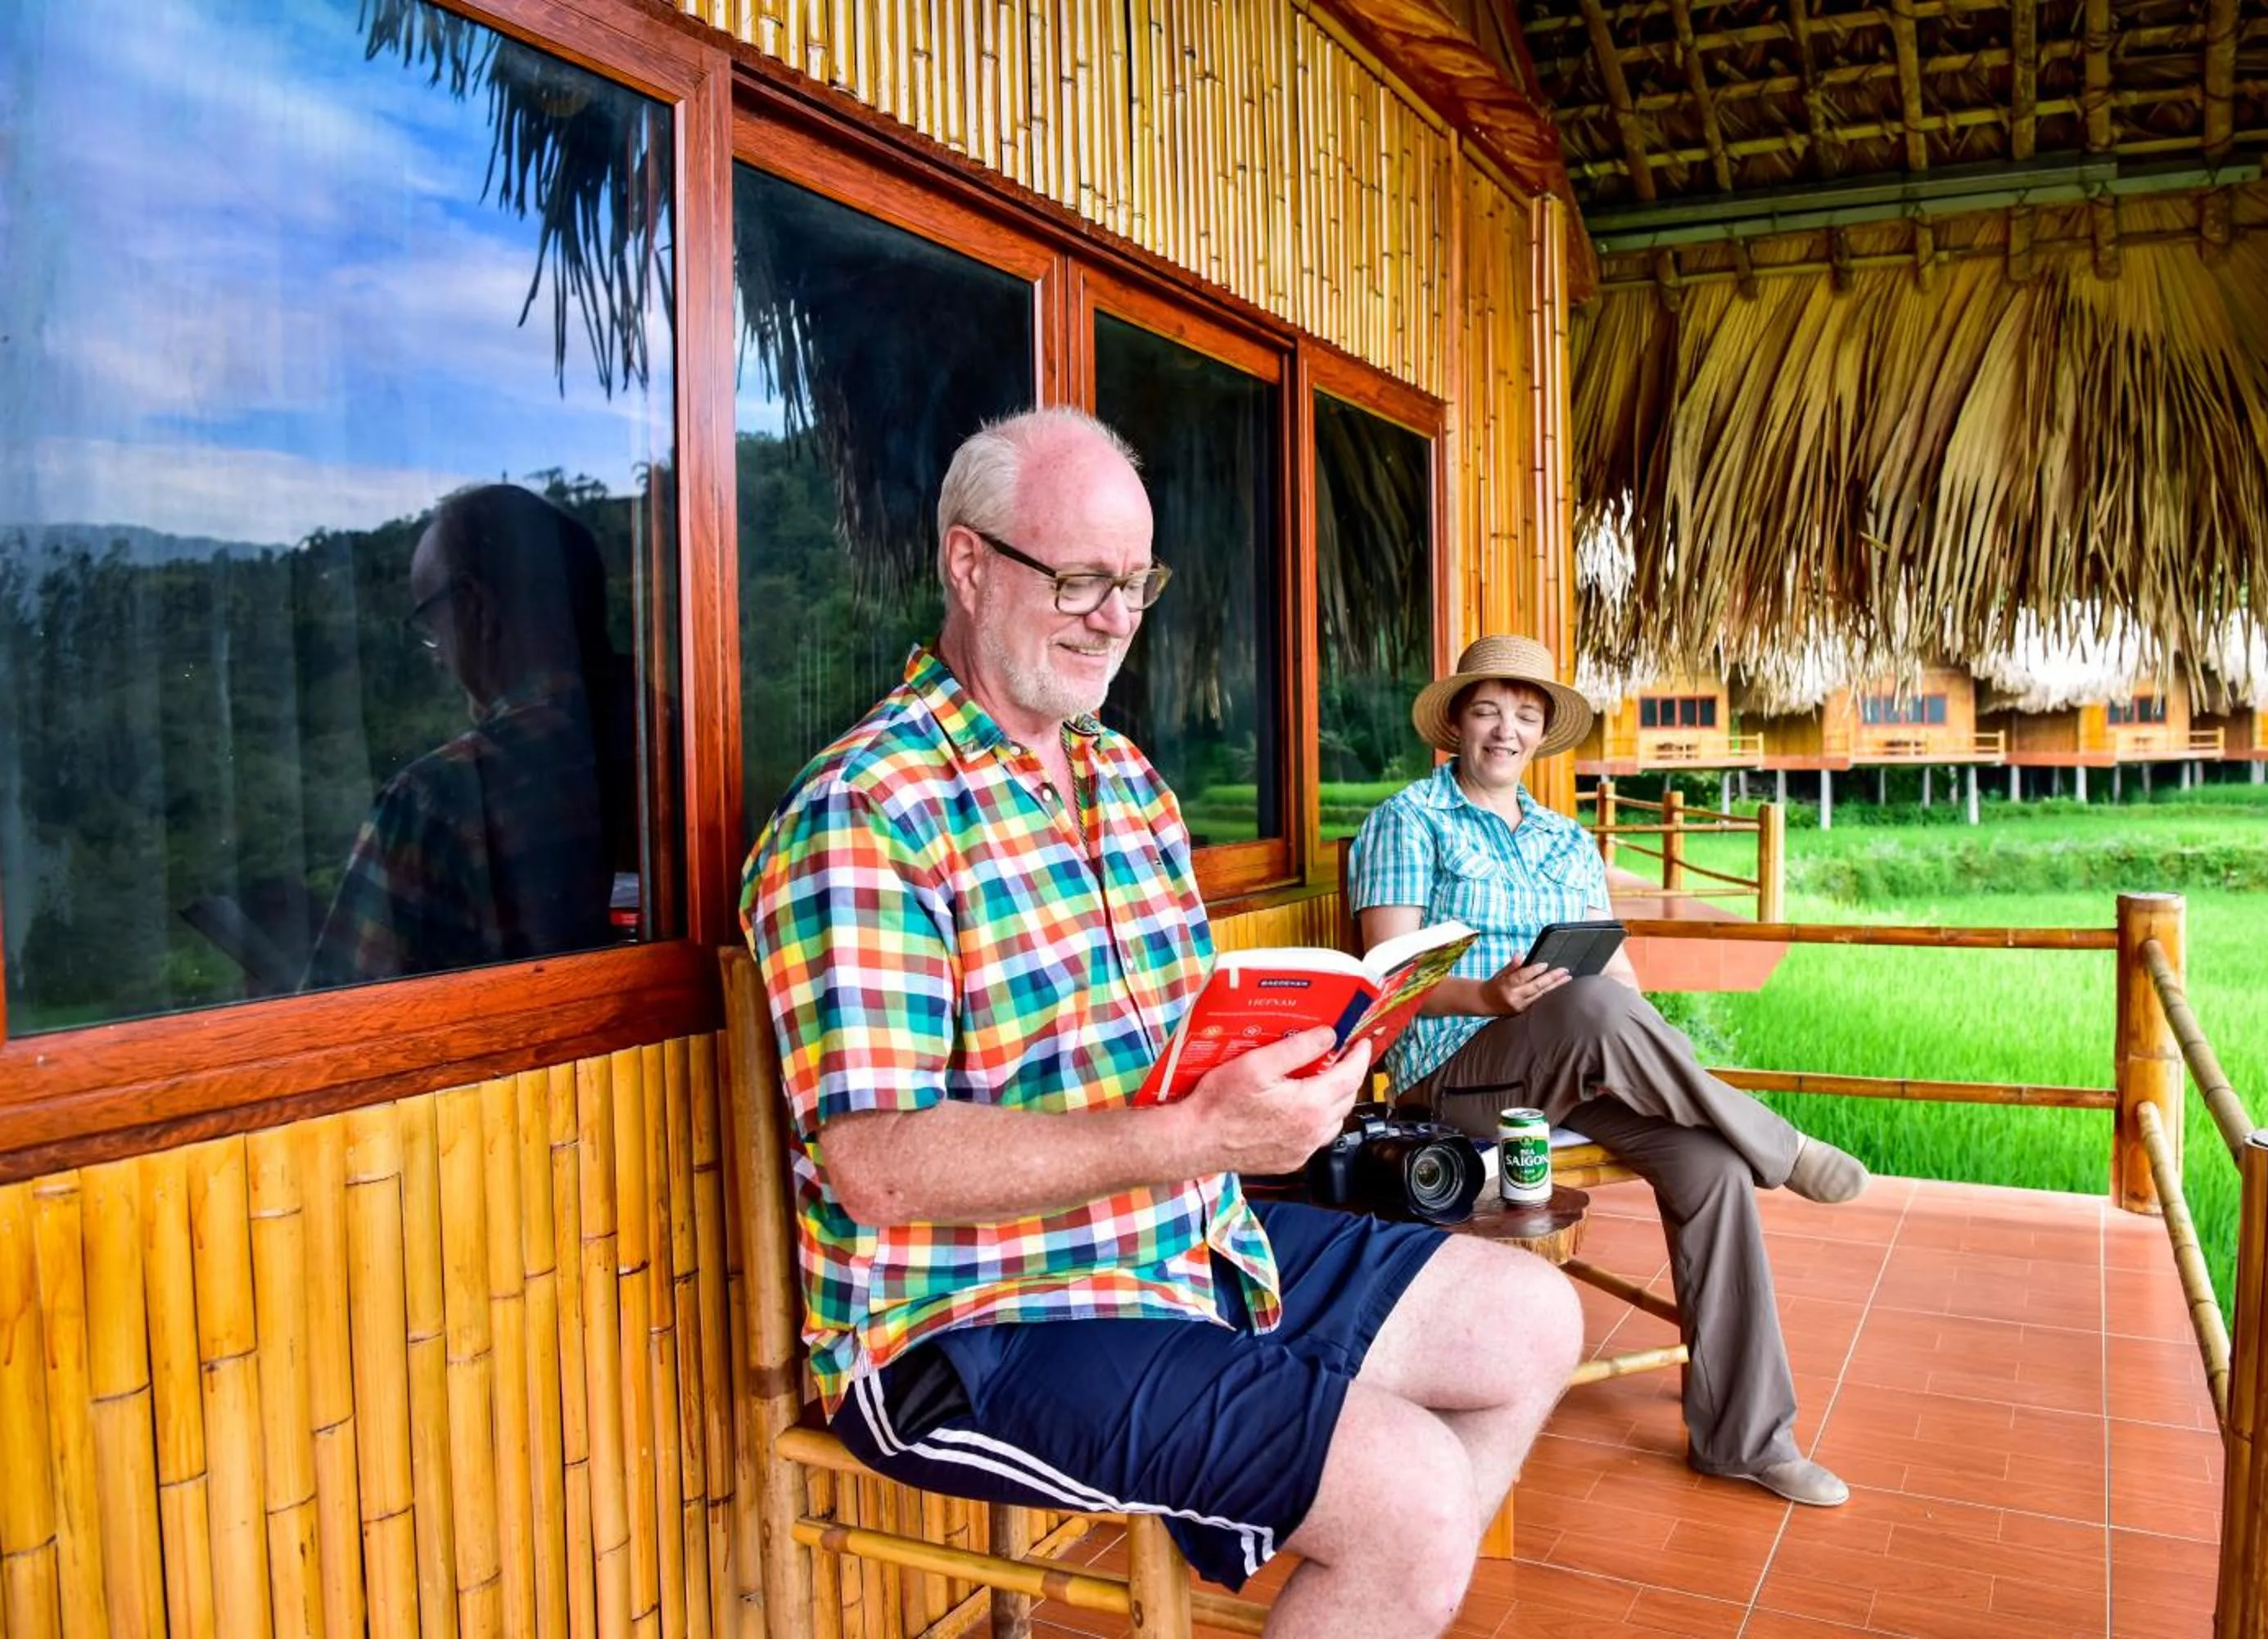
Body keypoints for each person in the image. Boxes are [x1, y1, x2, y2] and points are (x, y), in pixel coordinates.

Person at [739, 409, 1583, 1638]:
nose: (1116, 615)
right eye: (1080, 577)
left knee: (1531, 1317)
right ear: (968, 566)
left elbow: (1182, 1043)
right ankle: (1398, 1567)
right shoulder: (869, 810)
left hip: (1179, 1241)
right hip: (973, 1317)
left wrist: (1313, 1061)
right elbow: (877, 1165)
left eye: (1137, 582)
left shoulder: (1127, 782)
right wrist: (1196, 1136)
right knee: (1409, 1496)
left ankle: (1389, 1598)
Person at [1349, 633, 1866, 1508]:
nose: (1505, 731)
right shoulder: (1409, 821)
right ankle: (1780, 1142)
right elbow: (1385, 992)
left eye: (1524, 715)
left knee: (1711, 1164)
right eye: (1487, 711)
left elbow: (1618, 982)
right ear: (1456, 725)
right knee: (1586, 1007)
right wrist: (1490, 996)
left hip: (1579, 1070)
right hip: (1455, 1086)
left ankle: (1747, 1437)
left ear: (1543, 733)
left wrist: (1652, 1056)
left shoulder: (1565, 840)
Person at [307, 483, 635, 986]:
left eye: (432, 625)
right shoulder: (671, 737)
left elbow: (331, 1021)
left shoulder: (433, 801)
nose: (437, 655)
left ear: (477, 611)